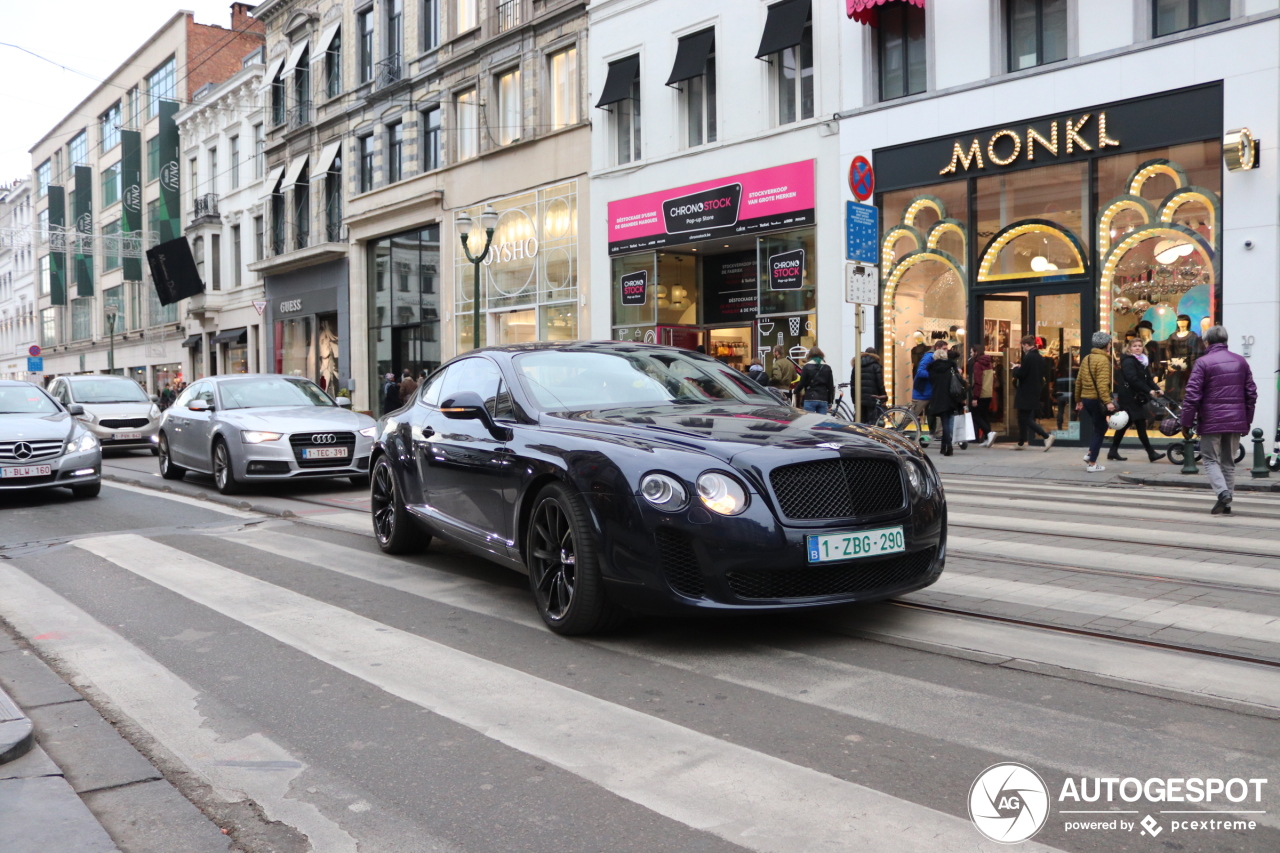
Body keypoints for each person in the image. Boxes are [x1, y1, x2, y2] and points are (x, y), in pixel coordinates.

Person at [1180, 325, 1257, 515]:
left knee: (1209, 459)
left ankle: (1223, 493)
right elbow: (1251, 394)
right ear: (1225, 341)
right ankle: (1227, 501)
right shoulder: (1241, 362)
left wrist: (1186, 422)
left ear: (1207, 342)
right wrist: (1247, 421)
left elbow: (1192, 395)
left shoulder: (1203, 362)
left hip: (1211, 420)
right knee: (1228, 461)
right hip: (1235, 420)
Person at [1110, 337, 1163, 463]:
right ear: (1129, 348)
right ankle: (1151, 453)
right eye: (1135, 346)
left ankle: (1113, 450)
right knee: (1140, 423)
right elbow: (1132, 379)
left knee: (1126, 424)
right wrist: (1148, 390)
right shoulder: (1128, 361)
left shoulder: (1142, 361)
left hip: (1135, 396)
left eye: (1139, 345)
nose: (1138, 348)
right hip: (1129, 397)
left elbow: (1148, 379)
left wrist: (1157, 388)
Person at [1076, 331, 1117, 472]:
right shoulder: (1103, 361)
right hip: (1096, 400)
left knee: (1099, 427)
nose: (1111, 345)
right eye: (1110, 343)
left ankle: (1090, 454)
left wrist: (1078, 400)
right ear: (1106, 344)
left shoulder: (1086, 358)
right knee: (1101, 429)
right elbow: (1102, 384)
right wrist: (1108, 402)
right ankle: (1092, 463)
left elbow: (1078, 382)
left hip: (1086, 399)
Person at [1011, 335, 1054, 451]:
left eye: (1023, 346)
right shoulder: (1039, 357)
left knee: (1024, 418)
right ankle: (1020, 442)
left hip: (1026, 391)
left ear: (1026, 345)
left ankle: (1046, 436)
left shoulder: (1029, 357)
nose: (1023, 348)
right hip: (1034, 390)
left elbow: (1021, 374)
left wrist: (1015, 369)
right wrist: (1021, 367)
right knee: (1022, 417)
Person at [927, 348, 965, 455]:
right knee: (946, 421)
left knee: (944, 422)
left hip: (937, 397)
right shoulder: (951, 367)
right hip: (950, 397)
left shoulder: (932, 368)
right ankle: (947, 446)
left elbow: (932, 382)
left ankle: (947, 447)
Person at [913, 340, 950, 433]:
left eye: (947, 349)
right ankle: (897, 431)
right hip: (923, 391)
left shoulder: (941, 358)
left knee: (939, 412)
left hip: (933, 391)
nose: (946, 351)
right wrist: (934, 376)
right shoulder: (929, 357)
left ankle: (939, 433)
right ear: (937, 348)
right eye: (944, 349)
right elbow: (920, 372)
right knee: (913, 413)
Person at [969, 345, 997, 447]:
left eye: (971, 352)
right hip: (988, 393)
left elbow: (978, 382)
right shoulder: (989, 363)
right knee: (984, 416)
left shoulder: (977, 364)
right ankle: (987, 438)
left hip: (980, 394)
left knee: (975, 415)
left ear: (976, 352)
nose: (970, 354)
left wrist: (975, 397)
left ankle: (989, 433)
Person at [794, 347, 835, 414]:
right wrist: (830, 401)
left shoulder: (806, 367)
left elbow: (802, 383)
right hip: (823, 398)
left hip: (810, 398)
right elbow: (830, 386)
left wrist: (795, 391)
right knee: (821, 422)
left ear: (809, 356)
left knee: (810, 422)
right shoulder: (827, 368)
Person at [855, 347, 886, 423]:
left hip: (860, 398)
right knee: (872, 421)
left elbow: (853, 385)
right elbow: (880, 383)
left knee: (860, 421)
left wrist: (854, 399)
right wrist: (883, 396)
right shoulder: (876, 366)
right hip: (872, 397)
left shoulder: (857, 365)